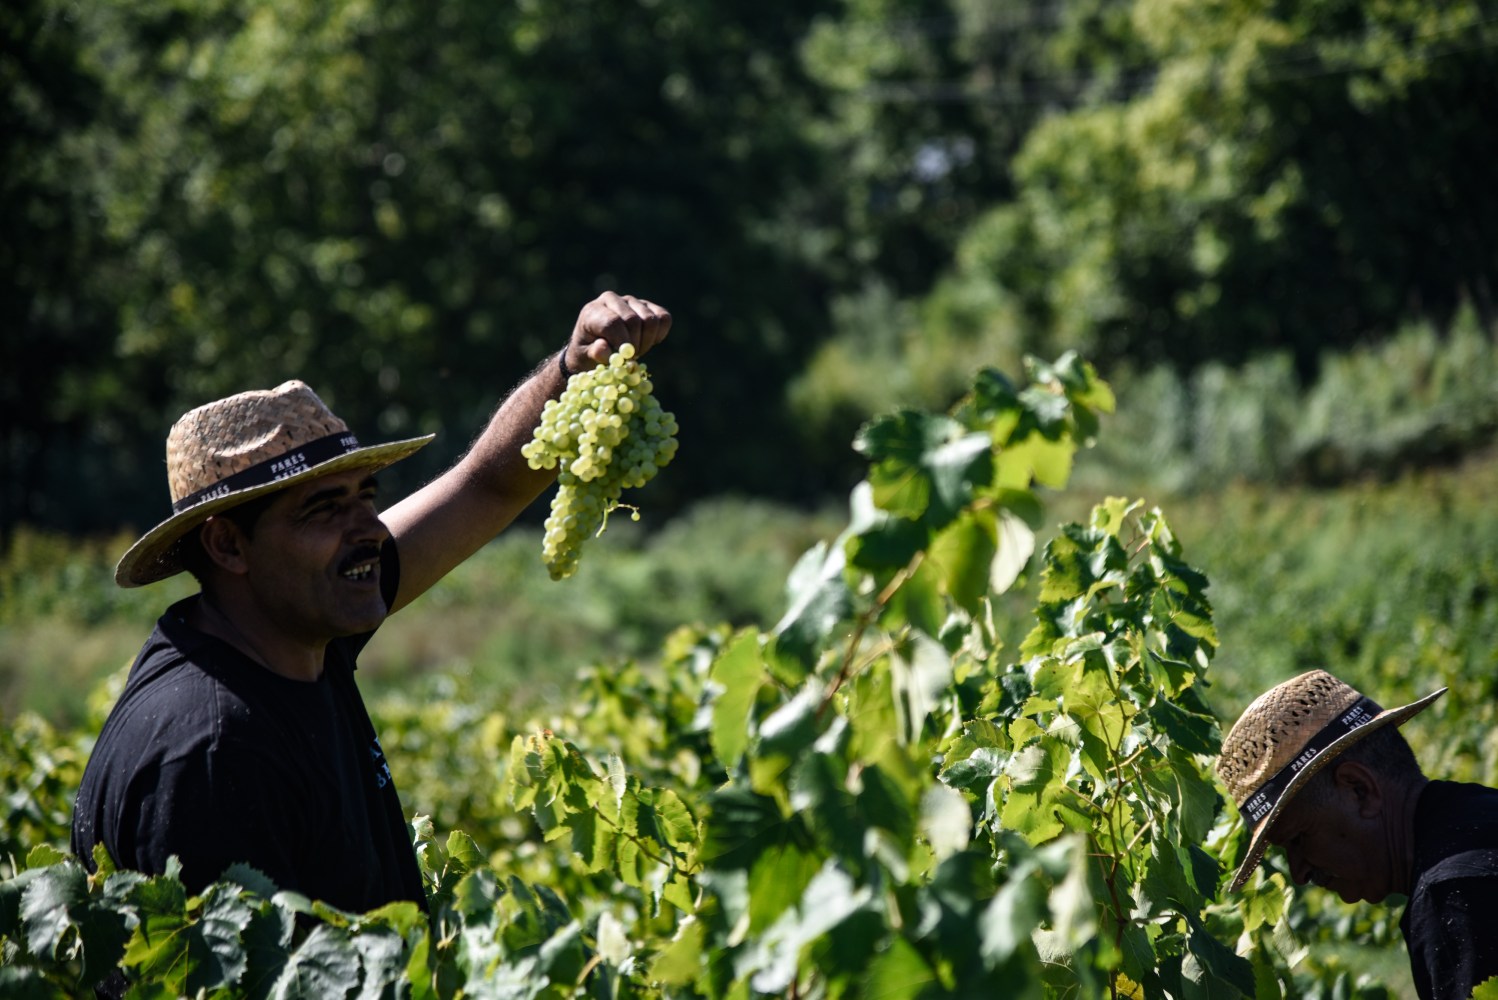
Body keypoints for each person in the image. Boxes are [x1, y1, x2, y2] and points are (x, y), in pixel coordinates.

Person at [71, 291, 671, 917]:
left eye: (365, 496)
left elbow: (485, 486)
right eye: (324, 508)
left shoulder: (296, 632)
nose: (370, 529)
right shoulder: (215, 758)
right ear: (228, 545)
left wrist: (571, 372)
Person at [1217, 669, 1498, 1000]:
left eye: (1298, 839)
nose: (1299, 872)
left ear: (1360, 790)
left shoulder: (1453, 898)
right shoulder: (1480, 808)